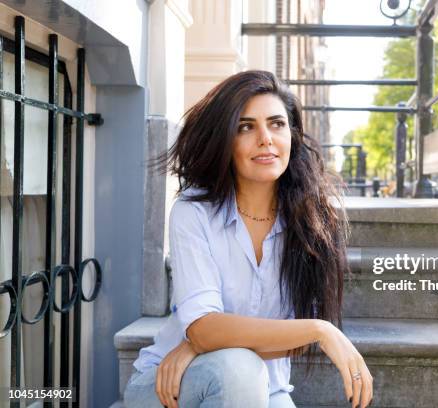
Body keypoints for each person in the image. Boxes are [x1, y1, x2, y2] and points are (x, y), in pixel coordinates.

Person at [123, 70, 373, 408]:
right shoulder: (195, 212)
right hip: (174, 387)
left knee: (245, 373)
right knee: (238, 369)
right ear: (225, 139)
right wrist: (321, 330)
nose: (265, 138)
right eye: (246, 127)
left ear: (293, 135)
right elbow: (204, 327)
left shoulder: (312, 222)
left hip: (267, 390)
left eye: (276, 124)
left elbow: (289, 339)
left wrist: (201, 342)